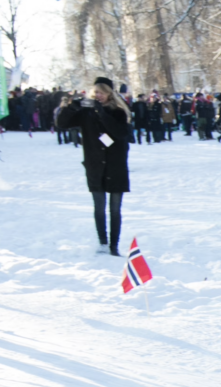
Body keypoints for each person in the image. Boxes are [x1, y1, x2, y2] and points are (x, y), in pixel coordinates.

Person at [57, 77, 133, 255]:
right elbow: (62, 124)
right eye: (96, 92)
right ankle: (103, 242)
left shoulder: (118, 112)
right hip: (95, 165)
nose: (98, 96)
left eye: (102, 92)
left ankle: (114, 245)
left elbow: (120, 133)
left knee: (114, 209)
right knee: (99, 207)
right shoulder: (86, 112)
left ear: (109, 94)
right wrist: (70, 107)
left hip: (115, 166)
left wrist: (102, 113)